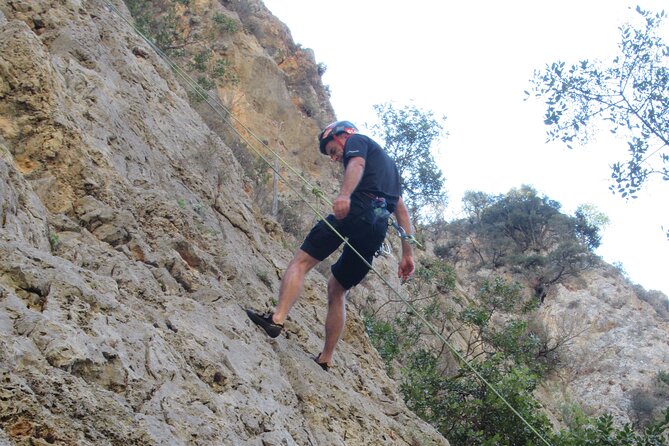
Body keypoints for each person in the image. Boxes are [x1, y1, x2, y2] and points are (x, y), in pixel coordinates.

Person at [246, 121, 415, 370]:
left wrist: (345, 195)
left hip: (355, 210)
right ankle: (326, 358)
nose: (335, 158)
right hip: (376, 229)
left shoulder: (358, 141)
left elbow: (356, 163)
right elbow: (401, 210)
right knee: (337, 289)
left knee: (301, 262)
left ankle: (277, 319)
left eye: (333, 150)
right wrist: (407, 254)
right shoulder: (391, 169)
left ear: (343, 134)